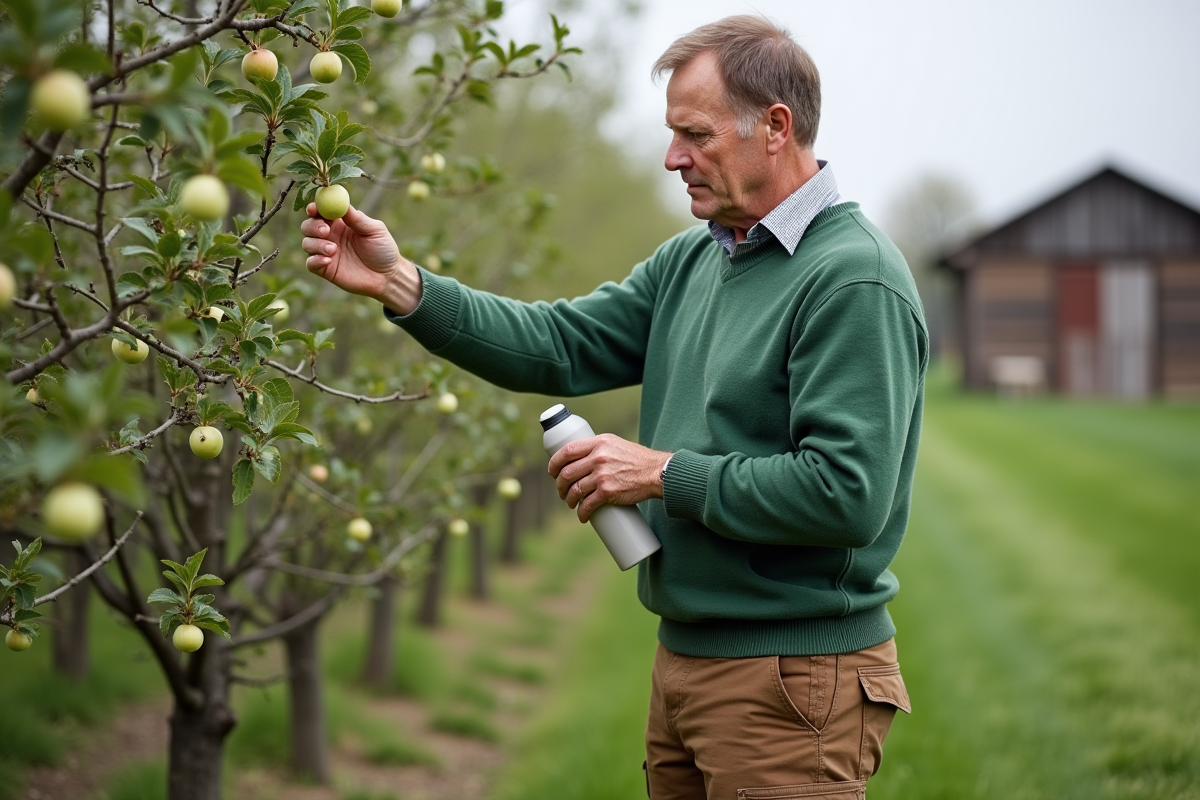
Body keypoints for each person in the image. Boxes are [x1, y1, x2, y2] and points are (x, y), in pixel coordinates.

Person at [300, 15, 925, 799]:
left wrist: (661, 473)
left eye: (694, 135)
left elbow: (846, 494)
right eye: (673, 135)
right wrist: (405, 287)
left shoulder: (851, 279)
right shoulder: (696, 258)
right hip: (690, 660)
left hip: (792, 676)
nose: (674, 158)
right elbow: (559, 344)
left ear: (775, 127)